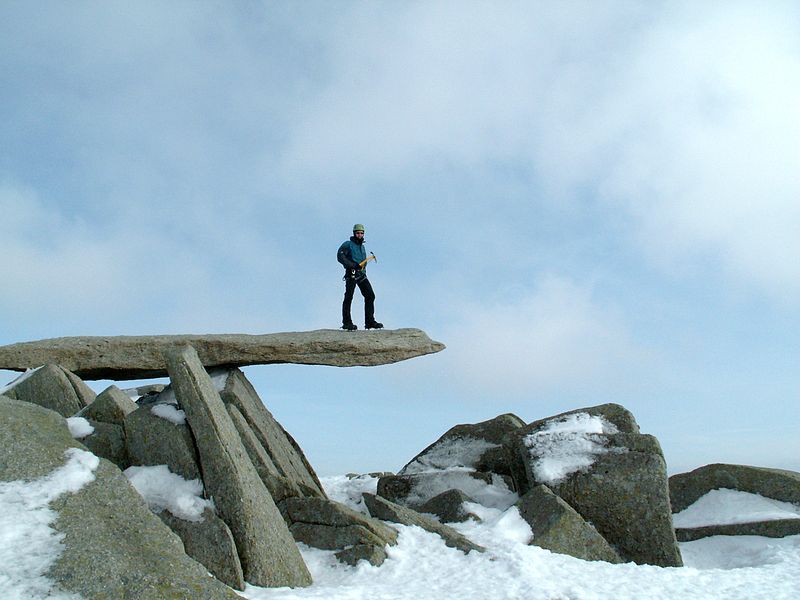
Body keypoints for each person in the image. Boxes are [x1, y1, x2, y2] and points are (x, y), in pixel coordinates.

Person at [337, 223, 383, 331]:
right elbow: (340, 256)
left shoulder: (362, 247)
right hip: (351, 273)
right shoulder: (348, 244)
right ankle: (347, 323)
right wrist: (352, 264)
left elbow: (363, 263)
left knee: (370, 295)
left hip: (361, 274)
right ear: (354, 233)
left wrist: (363, 270)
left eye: (361, 233)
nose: (360, 235)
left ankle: (370, 321)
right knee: (349, 297)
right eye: (358, 233)